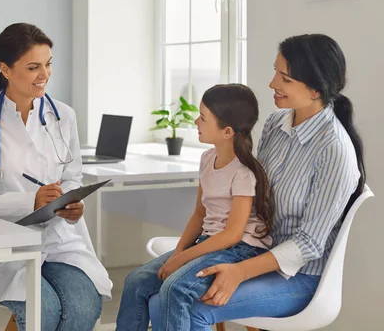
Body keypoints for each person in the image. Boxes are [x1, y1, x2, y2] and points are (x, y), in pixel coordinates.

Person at [127, 33, 365, 330]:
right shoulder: (276, 124)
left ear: (316, 89)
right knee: (154, 295)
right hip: (249, 250)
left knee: (192, 305)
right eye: (275, 72)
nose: (272, 84)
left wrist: (240, 271)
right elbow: (250, 192)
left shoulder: (334, 150)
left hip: (299, 277)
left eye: (285, 78)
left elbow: (309, 243)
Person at [0, 23, 112, 331]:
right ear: (5, 69)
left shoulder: (63, 115)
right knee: (43, 313)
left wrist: (72, 202)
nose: (45, 74)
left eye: (48, 64)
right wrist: (29, 201)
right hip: (4, 241)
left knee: (83, 308)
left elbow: (71, 175)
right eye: (33, 66)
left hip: (59, 237)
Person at [116, 84, 273, 330]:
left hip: (240, 248)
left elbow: (232, 235)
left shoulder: (243, 173)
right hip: (209, 241)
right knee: (136, 281)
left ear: (227, 131)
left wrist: (182, 259)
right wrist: (179, 251)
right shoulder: (207, 159)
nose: (196, 121)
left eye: (203, 117)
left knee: (175, 287)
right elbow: (200, 213)